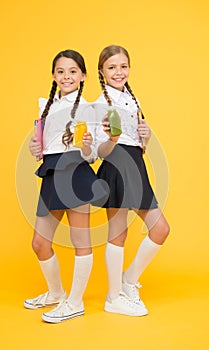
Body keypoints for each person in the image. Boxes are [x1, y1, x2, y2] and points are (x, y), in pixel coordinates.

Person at [24, 49, 105, 323]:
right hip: (51, 171)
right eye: (61, 71)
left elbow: (92, 153)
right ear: (53, 75)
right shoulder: (45, 105)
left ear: (82, 76)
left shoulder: (89, 108)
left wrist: (86, 147)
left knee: (80, 241)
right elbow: (45, 146)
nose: (66, 76)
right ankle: (56, 294)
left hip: (75, 173)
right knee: (40, 242)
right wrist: (37, 147)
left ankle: (75, 302)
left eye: (72, 71)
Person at [94, 45, 170, 316]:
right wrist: (111, 139)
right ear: (101, 71)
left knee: (160, 228)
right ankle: (114, 297)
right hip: (116, 163)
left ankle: (128, 280)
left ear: (129, 68)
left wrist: (145, 136)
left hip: (135, 163)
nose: (118, 72)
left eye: (123, 66)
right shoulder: (100, 104)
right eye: (112, 67)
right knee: (118, 233)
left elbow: (140, 145)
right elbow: (97, 152)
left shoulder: (131, 99)